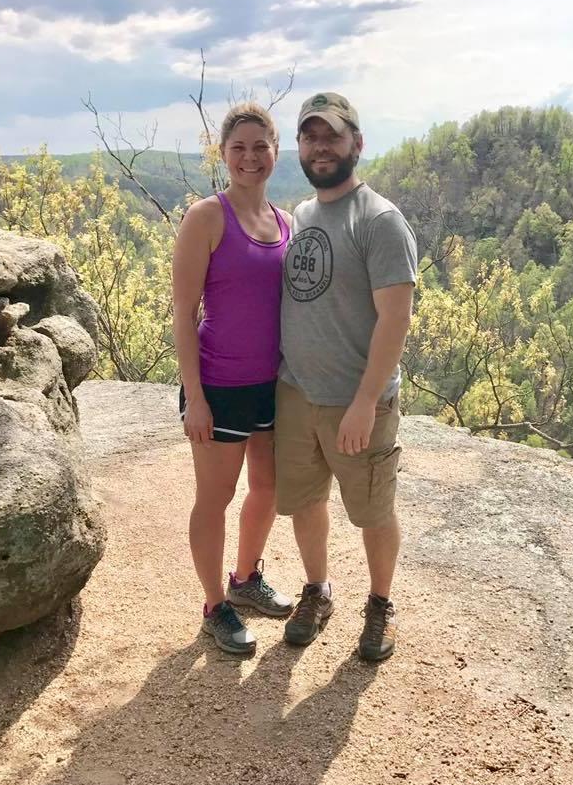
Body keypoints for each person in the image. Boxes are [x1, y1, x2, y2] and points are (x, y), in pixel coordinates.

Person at [275, 92, 418, 662]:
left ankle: (380, 604)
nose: (320, 146)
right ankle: (318, 590)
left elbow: (396, 318)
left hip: (357, 402)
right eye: (310, 137)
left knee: (373, 511)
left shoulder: (379, 220)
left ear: (356, 142)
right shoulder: (301, 216)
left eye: (331, 136)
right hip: (296, 394)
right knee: (306, 502)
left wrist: (364, 402)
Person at [171, 102, 295, 655]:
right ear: (223, 154)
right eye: (239, 147)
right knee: (215, 497)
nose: (250, 157)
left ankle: (245, 581)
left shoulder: (286, 222)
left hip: (271, 386)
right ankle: (213, 605)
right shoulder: (206, 216)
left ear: (275, 151)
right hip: (218, 385)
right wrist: (194, 398)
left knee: (267, 488)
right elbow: (182, 311)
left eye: (260, 146)